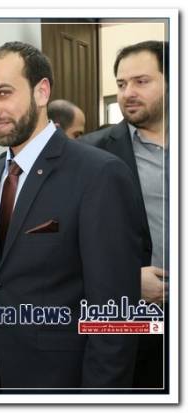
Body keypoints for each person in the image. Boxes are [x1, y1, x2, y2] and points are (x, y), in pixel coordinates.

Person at [0, 41, 142, 389]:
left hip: (63, 381)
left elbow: (115, 310)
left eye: (3, 93)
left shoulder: (98, 174)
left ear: (41, 92)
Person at [81, 40, 169, 388]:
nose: (128, 92)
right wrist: (128, 281)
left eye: (141, 81)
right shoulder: (90, 153)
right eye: (121, 84)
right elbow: (66, 243)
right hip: (134, 318)